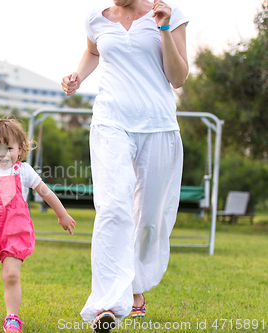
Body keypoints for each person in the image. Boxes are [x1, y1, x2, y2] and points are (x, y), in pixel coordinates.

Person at [61, 0, 188, 331]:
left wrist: (163, 28)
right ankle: (108, 303)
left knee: (149, 218)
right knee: (113, 206)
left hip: (158, 125)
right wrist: (78, 76)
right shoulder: (95, 18)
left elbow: (178, 77)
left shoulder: (169, 13)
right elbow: (93, 52)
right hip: (110, 121)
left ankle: (135, 286)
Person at [0, 117, 77, 333]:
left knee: (11, 275)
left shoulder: (24, 171)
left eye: (8, 148)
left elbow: (46, 193)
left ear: (20, 150)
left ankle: (12, 318)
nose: (2, 154)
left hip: (14, 231)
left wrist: (62, 214)